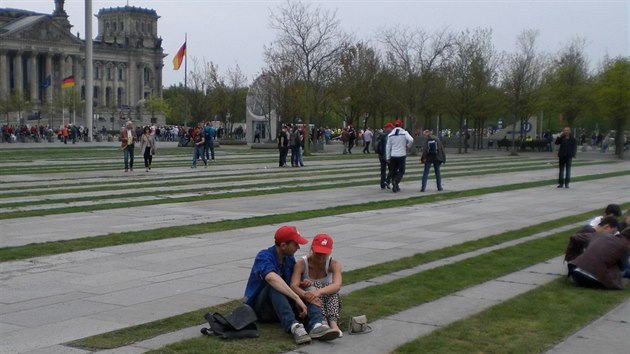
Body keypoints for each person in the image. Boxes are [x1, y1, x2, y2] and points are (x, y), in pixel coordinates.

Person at [243, 226, 340, 344]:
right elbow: (271, 278)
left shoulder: (289, 259)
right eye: (295, 244)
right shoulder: (264, 256)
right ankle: (294, 327)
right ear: (283, 245)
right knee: (274, 286)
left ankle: (317, 325)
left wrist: (303, 286)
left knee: (308, 288)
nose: (298, 247)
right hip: (261, 309)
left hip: (280, 307)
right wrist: (296, 298)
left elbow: (292, 285)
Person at [291, 233, 343, 337]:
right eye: (318, 253)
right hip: (309, 302)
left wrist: (317, 292)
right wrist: (307, 294)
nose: (321, 257)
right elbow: (293, 285)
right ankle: (322, 321)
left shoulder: (334, 264)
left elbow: (337, 285)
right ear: (312, 249)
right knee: (316, 284)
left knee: (330, 289)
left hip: (327, 300)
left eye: (324, 253)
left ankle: (333, 323)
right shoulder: (301, 264)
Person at [386, 120, 414, 193]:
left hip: (393, 155)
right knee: (401, 171)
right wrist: (408, 146)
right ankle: (396, 181)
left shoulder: (390, 134)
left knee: (393, 171)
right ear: (401, 125)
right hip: (401, 154)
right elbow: (411, 140)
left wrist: (388, 157)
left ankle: (393, 184)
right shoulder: (404, 133)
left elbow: (388, 147)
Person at [375, 123, 393, 189]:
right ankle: (388, 181)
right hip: (387, 156)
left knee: (383, 171)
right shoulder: (388, 136)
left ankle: (382, 184)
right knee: (391, 170)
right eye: (391, 128)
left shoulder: (380, 135)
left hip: (381, 155)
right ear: (389, 128)